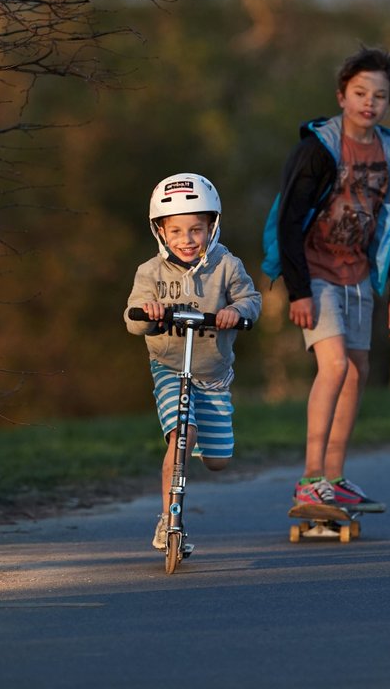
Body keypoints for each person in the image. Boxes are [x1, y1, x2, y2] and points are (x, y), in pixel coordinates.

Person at [261, 46, 390, 513]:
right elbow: (289, 218)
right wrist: (299, 290)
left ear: (388, 102)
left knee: (358, 371)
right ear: (342, 96)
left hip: (359, 275)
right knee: (335, 367)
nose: (370, 102)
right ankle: (309, 479)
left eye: (380, 96)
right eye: (360, 92)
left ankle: (334, 477)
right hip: (316, 272)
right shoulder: (318, 149)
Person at [125, 172, 262, 550]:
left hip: (214, 374)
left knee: (217, 461)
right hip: (170, 367)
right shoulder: (149, 272)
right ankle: (169, 518)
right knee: (181, 437)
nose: (187, 240)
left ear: (212, 226)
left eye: (196, 230)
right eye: (177, 231)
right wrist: (148, 314)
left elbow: (252, 300)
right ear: (161, 232)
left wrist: (237, 311)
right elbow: (131, 318)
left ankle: (198, 437)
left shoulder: (226, 265)